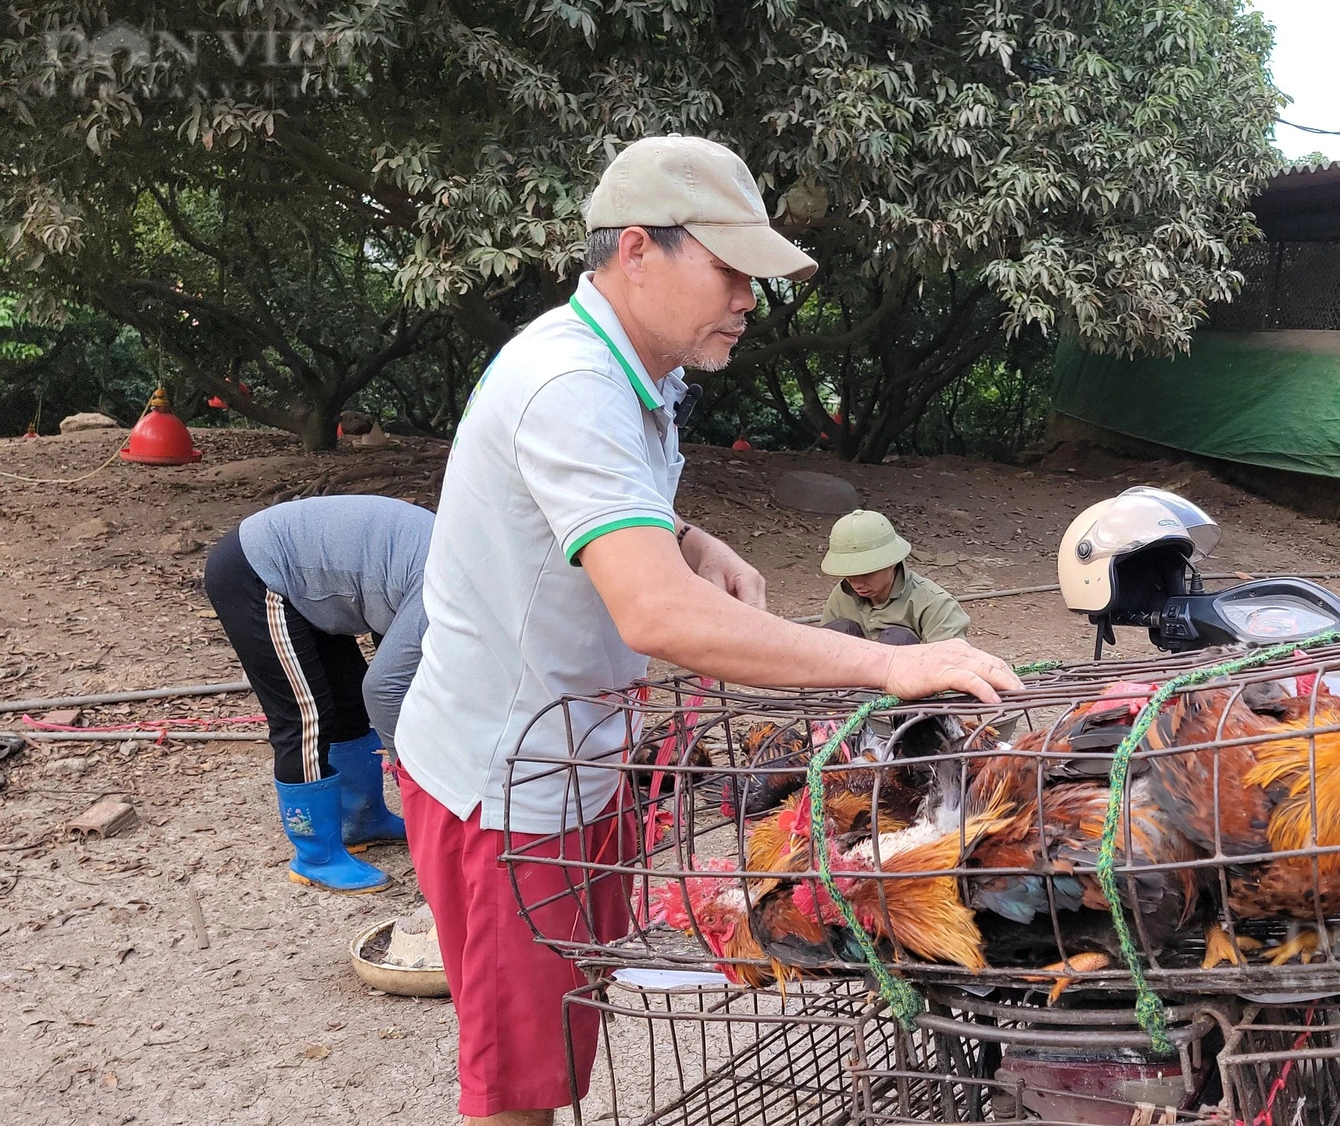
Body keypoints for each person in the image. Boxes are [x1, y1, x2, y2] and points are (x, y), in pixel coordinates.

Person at [394, 135, 1021, 1126]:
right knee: (515, 1083)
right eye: (731, 271)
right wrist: (884, 665)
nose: (747, 300)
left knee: (557, 1044)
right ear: (637, 250)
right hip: (506, 786)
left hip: (574, 756)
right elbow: (657, 615)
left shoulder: (634, 372)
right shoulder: (573, 387)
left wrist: (685, 535)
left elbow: (607, 521)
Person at [202, 494, 431, 894]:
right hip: (258, 574)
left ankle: (362, 821)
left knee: (349, 704)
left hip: (312, 580)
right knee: (305, 718)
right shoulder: (445, 584)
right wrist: (410, 773)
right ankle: (316, 855)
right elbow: (387, 688)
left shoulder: (451, 568)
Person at [819, 509, 970, 645]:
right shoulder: (842, 596)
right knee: (838, 631)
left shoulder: (934, 603)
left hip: (908, 673)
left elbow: (948, 662)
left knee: (897, 640)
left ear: (891, 563)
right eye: (849, 575)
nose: (856, 584)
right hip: (850, 673)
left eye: (866, 573)